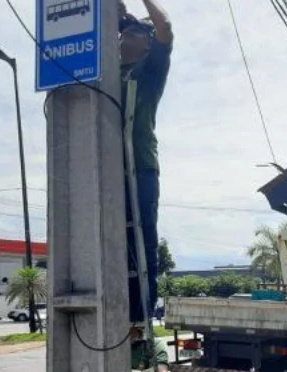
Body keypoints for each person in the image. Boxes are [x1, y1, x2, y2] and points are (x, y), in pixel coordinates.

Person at [118, 0, 173, 325]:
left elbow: (165, 27)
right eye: (123, 33)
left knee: (143, 243)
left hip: (141, 168)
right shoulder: (107, 70)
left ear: (147, 43)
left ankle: (141, 318)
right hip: (110, 173)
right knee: (116, 244)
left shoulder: (150, 70)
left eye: (134, 32)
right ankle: (120, 310)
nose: (125, 37)